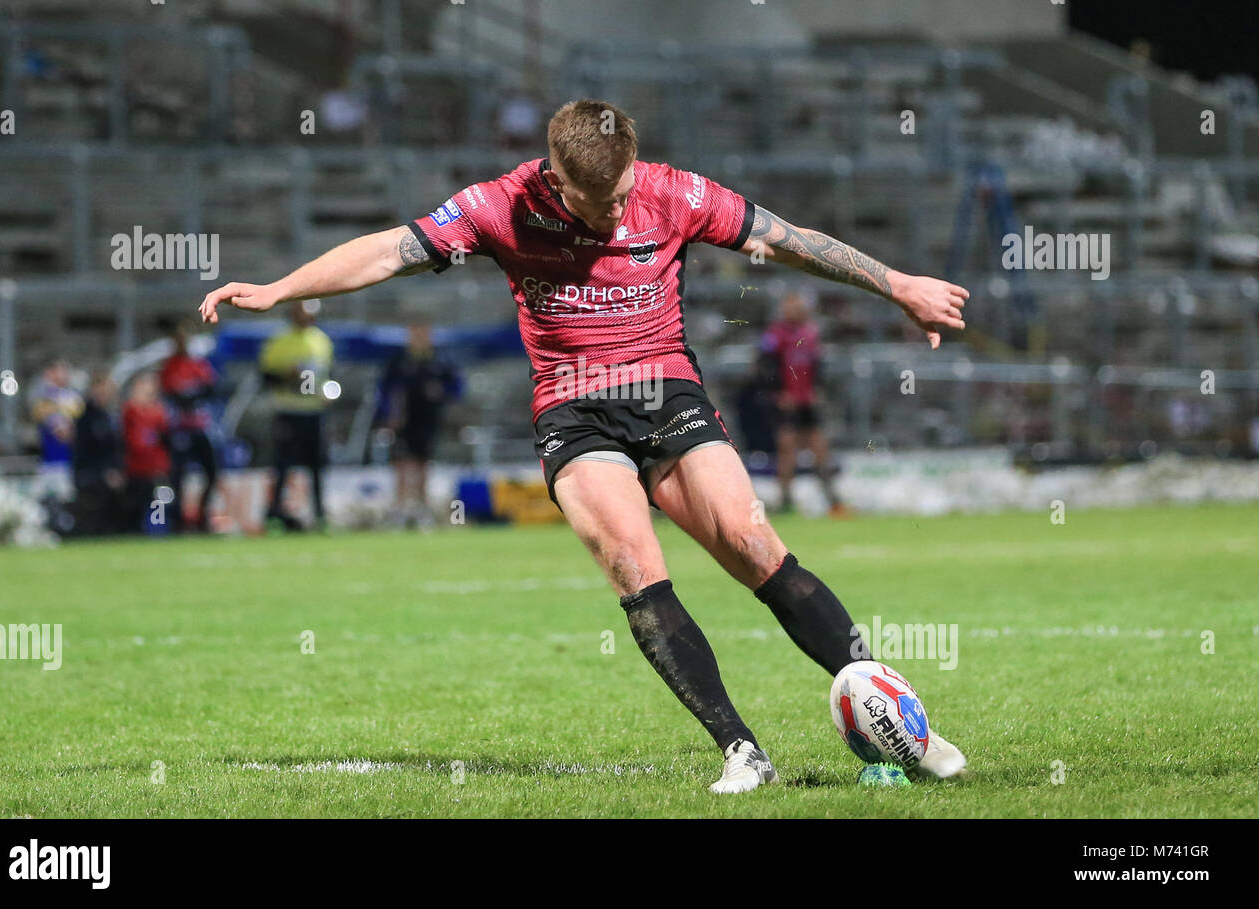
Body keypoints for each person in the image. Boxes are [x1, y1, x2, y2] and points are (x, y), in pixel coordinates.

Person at [200, 98, 970, 794]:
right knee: (635, 566)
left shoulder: (673, 191)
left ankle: (903, 724)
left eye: (623, 193)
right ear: (556, 179)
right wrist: (279, 291)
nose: (615, 212)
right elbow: (388, 251)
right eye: (596, 202)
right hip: (573, 409)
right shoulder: (500, 205)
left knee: (751, 541)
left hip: (665, 389)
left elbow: (788, 240)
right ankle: (742, 749)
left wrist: (896, 282)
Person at [761, 291, 850, 516]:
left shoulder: (811, 333)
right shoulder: (775, 335)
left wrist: (817, 388)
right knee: (787, 447)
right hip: (787, 401)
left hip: (806, 400)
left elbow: (818, 365)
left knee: (820, 446)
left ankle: (832, 498)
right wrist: (779, 392)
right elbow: (765, 366)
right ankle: (785, 498)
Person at [258, 300, 334, 531]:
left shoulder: (322, 341)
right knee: (282, 466)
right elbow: (266, 378)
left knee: (318, 466)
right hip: (289, 410)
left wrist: (327, 392)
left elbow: (327, 375)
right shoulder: (279, 341)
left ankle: (320, 515)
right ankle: (274, 515)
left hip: (313, 411)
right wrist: (288, 375)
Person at [377, 322, 462, 529]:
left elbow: (457, 387)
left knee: (423, 464)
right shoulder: (399, 361)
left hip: (428, 420)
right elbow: (385, 390)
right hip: (403, 421)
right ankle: (400, 509)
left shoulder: (439, 360)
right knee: (401, 464)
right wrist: (388, 416)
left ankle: (422, 509)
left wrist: (440, 392)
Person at [160, 322, 219, 533]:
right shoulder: (169, 367)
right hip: (181, 429)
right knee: (178, 477)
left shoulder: (197, 364)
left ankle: (202, 516)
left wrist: (193, 394)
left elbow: (211, 388)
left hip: (200, 426)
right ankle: (178, 522)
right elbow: (169, 394)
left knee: (211, 473)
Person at [71, 371, 125, 535]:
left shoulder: (110, 417)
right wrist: (105, 473)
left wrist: (117, 470)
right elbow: (85, 452)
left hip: (109, 472)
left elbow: (115, 449)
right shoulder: (85, 418)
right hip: (90, 473)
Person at [122, 371, 171, 533]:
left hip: (156, 464)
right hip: (136, 465)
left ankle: (158, 529)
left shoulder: (158, 410)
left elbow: (164, 435)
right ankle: (136, 529)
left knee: (158, 499)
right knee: (137, 500)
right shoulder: (131, 409)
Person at [27, 357, 83, 498]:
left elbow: (77, 415)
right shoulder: (42, 396)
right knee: (41, 496)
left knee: (66, 496)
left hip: (68, 461)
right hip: (47, 459)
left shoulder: (72, 397)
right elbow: (38, 414)